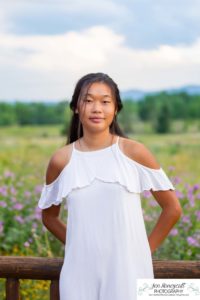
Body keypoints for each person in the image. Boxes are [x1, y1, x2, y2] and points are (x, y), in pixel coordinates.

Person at [38, 72, 182, 300]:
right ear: (76, 107)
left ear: (115, 109)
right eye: (88, 100)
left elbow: (172, 209)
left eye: (105, 101)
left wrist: (142, 253)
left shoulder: (134, 152)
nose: (97, 108)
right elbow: (49, 217)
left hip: (129, 272)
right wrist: (79, 246)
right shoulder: (61, 160)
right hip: (79, 273)